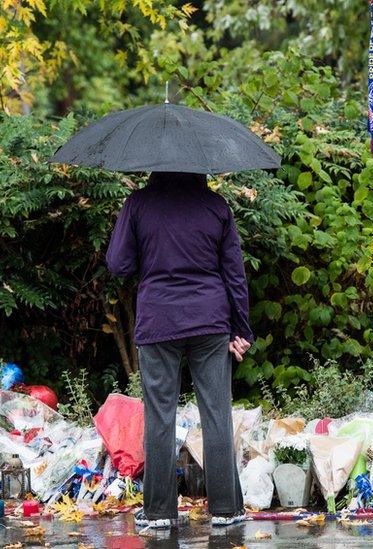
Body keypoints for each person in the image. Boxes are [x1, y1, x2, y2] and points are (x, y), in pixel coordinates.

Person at [106, 171, 253, 529]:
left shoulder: (139, 204)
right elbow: (234, 273)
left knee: (159, 416)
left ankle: (158, 512)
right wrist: (241, 328)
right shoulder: (216, 206)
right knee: (217, 413)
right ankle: (226, 509)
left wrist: (152, 256)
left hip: (159, 320)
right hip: (210, 320)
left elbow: (118, 264)